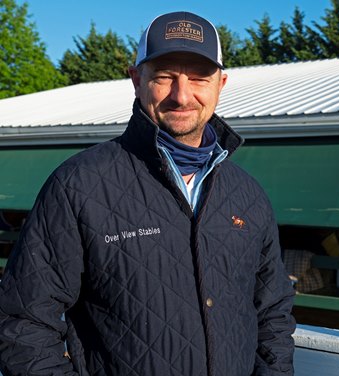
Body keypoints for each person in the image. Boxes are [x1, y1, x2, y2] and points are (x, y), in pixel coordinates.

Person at [0, 11, 296, 376]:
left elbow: (273, 314)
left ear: (221, 84)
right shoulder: (78, 186)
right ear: (136, 79)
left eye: (199, 77)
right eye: (165, 77)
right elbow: (23, 325)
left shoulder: (248, 196)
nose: (181, 95)